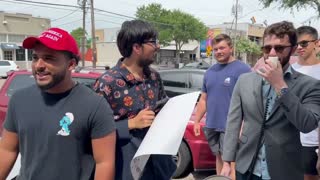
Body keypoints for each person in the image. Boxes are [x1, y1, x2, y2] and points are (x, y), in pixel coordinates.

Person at [0, 28, 116, 180]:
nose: (39, 65)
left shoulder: (95, 105)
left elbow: (104, 163)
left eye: (49, 58)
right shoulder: (19, 100)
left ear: (71, 64)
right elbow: (7, 150)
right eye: (35, 57)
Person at [221, 21, 320, 180]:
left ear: (293, 49)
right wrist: (227, 161)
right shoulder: (245, 80)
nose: (272, 53)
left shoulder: (310, 85)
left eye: (279, 48)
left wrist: (280, 85)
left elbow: (307, 124)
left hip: (285, 169)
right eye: (267, 48)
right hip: (247, 167)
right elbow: (233, 122)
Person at [94, 20, 176, 180]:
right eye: (153, 42)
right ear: (136, 47)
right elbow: (93, 132)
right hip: (126, 170)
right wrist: (131, 124)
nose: (157, 47)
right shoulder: (107, 82)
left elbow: (162, 108)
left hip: (158, 167)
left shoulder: (154, 76)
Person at [193, 34, 250, 177]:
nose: (218, 52)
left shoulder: (243, 70)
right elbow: (204, 99)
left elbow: (250, 101)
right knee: (218, 157)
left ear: (231, 48)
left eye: (222, 48)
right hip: (212, 124)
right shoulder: (210, 72)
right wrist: (197, 121)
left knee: (231, 161)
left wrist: (243, 125)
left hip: (232, 126)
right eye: (215, 49)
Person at [293, 26, 320, 180]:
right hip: (289, 141)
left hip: (312, 142)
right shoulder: (288, 70)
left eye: (304, 43)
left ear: (317, 43)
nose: (299, 48)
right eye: (296, 44)